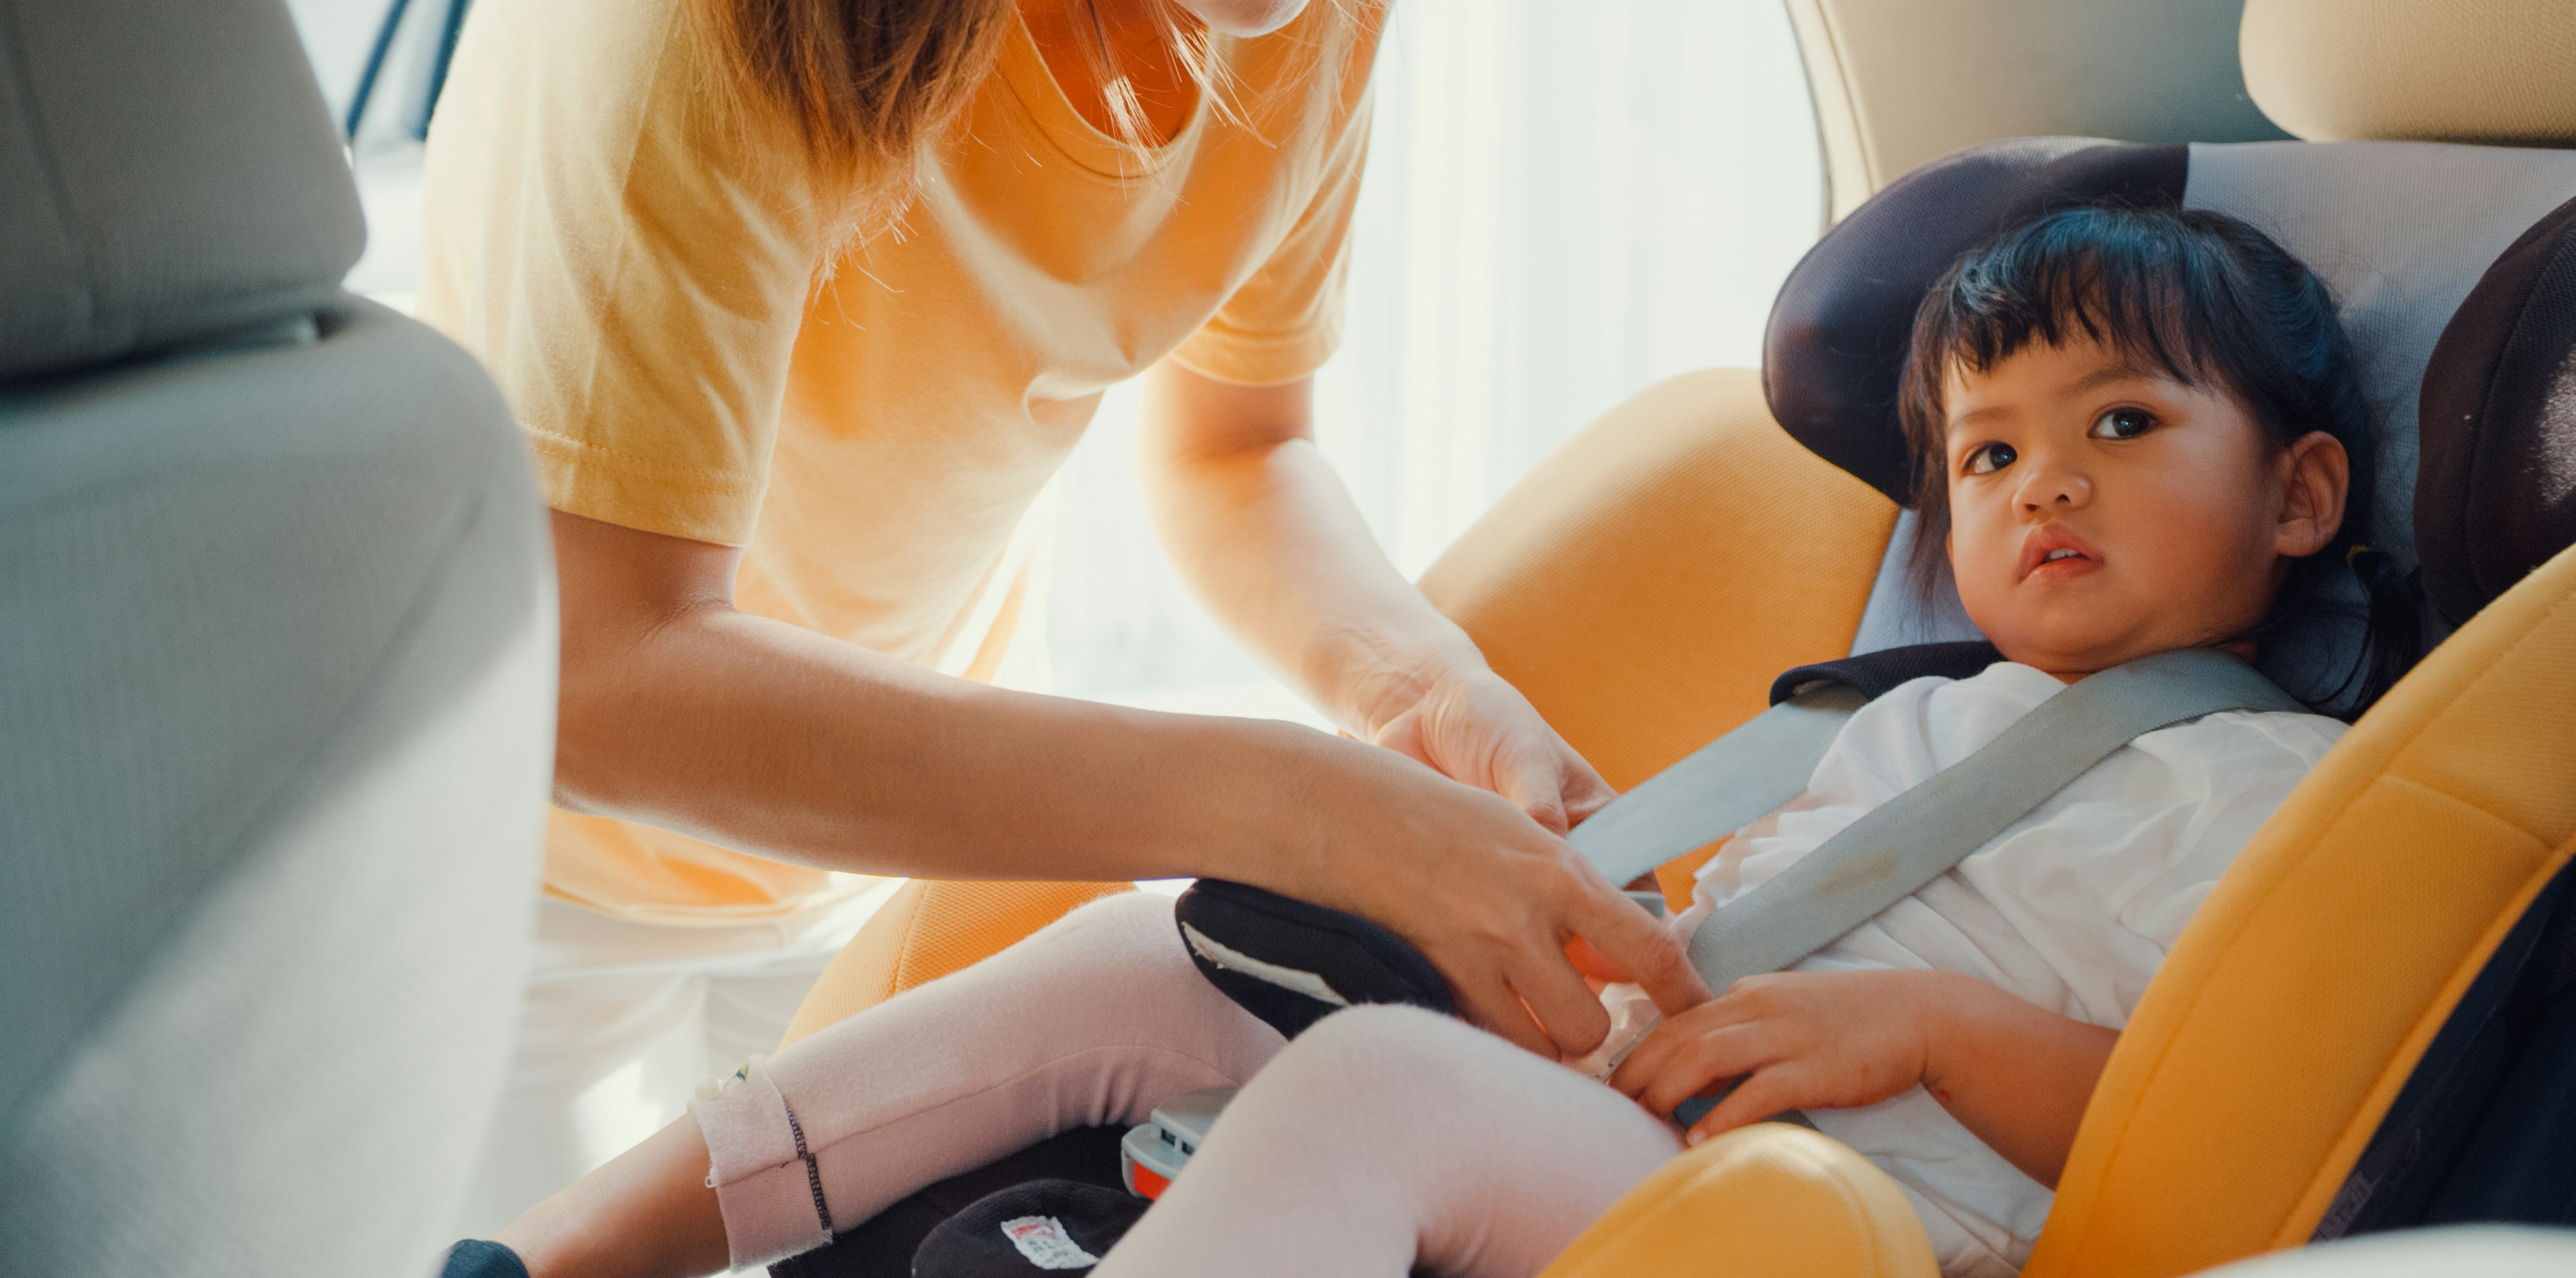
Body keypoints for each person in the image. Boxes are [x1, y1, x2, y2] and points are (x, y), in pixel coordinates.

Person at [443, 204, 2420, 1278]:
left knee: (1378, 1083)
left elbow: (2250, 1147)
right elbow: (1731, 915)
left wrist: (1928, 1032)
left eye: (2124, 428)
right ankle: (575, 1255)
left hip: (1868, 1221)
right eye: (1990, 453)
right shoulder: (1903, 714)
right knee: (1154, 951)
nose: (2043, 485)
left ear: (2306, 496)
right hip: (1657, 1100)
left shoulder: (2285, 789)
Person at [416, 0, 1700, 1236]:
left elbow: (1239, 451)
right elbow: (600, 678)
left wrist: (1430, 693)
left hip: (878, 825)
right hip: (518, 872)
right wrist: (1313, 815)